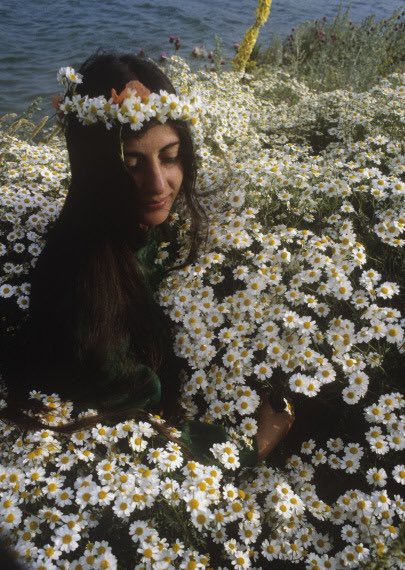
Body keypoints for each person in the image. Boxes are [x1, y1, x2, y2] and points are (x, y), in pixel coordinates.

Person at [1, 52, 293, 461]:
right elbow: (153, 443)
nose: (158, 184)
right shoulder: (90, 293)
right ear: (97, 171)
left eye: (170, 157)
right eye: (133, 165)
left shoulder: (131, 227)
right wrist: (257, 445)